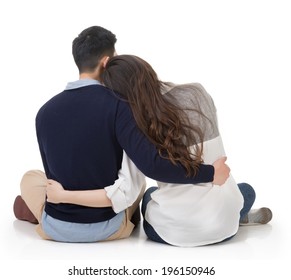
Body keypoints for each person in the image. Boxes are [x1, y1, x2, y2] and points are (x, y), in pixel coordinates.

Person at [13, 26, 229, 243]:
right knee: (139, 185)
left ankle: (36, 211)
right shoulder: (121, 107)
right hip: (108, 227)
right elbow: (150, 166)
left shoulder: (43, 112)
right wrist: (210, 173)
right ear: (106, 62)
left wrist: (63, 196)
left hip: (57, 226)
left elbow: (52, 173)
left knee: (32, 178)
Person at [45, 54, 272, 246]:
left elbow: (148, 173)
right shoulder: (197, 92)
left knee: (148, 197)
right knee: (244, 190)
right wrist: (212, 174)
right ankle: (237, 215)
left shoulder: (136, 122)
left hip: (179, 233)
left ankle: (227, 215)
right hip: (226, 223)